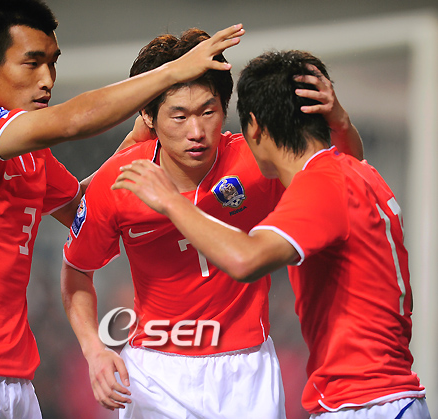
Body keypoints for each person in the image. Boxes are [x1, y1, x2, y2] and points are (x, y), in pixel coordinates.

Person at [0, 0, 245, 416]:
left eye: (52, 63)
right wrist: (173, 72)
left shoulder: (31, 155)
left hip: (14, 376)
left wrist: (132, 143)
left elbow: (84, 208)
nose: (47, 79)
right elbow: (72, 121)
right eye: (32, 63)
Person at [112, 50, 430, 419]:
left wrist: (171, 201)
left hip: (365, 404)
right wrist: (341, 122)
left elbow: (246, 259)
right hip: (386, 398)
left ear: (254, 127)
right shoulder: (356, 172)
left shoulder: (320, 186)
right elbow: (350, 157)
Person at [61, 30, 362, 417]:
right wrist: (94, 350)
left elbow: (341, 174)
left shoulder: (255, 162)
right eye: (179, 116)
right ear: (148, 117)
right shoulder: (119, 180)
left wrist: (341, 123)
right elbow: (77, 270)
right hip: (154, 372)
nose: (197, 132)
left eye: (208, 112)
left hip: (247, 370)